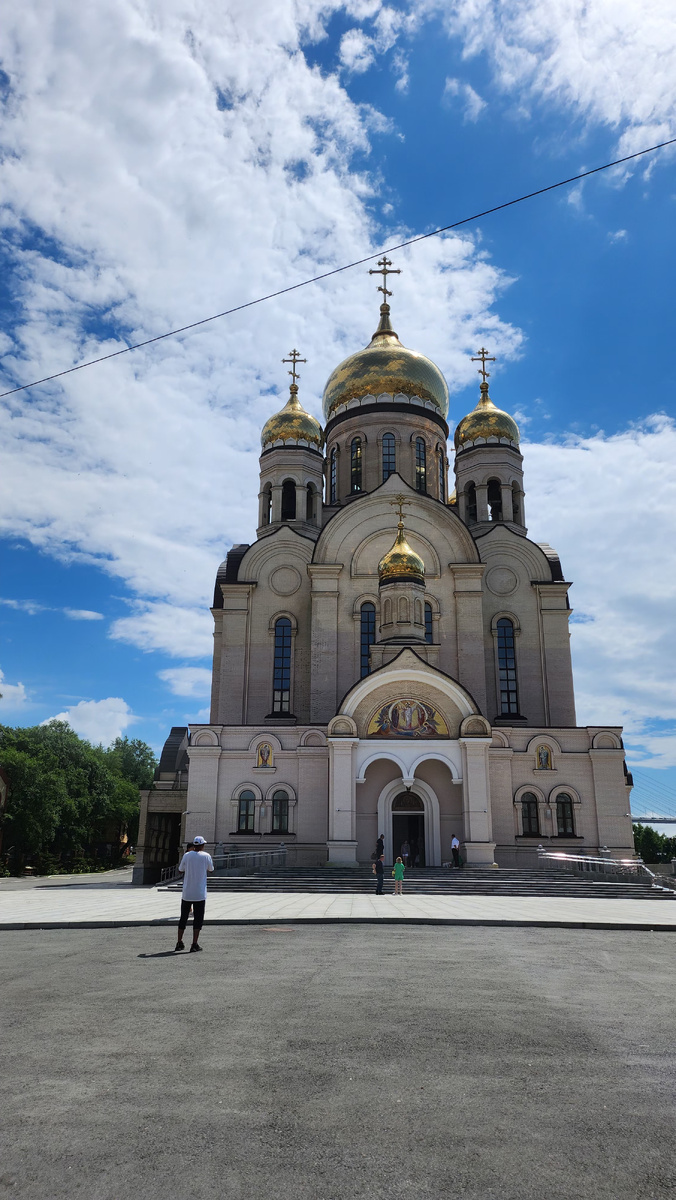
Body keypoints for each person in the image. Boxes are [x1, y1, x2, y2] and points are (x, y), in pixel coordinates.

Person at [175, 835, 214, 952]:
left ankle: (179, 942)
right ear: (202, 845)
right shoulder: (206, 856)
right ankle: (194, 943)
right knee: (198, 919)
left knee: (183, 918)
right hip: (200, 893)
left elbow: (180, 869)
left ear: (194, 845)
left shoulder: (187, 855)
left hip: (187, 893)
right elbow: (211, 869)